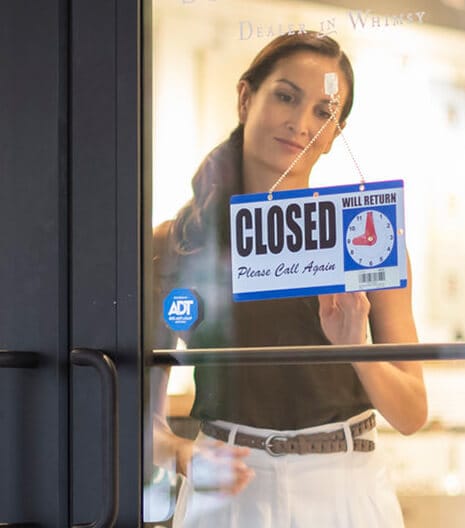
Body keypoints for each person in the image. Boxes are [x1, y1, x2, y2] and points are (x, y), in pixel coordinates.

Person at [150, 31, 427, 528]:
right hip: (228, 485)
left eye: (323, 111)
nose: (301, 124)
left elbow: (411, 412)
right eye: (286, 96)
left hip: (346, 484)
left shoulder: (365, 239)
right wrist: (185, 457)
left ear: (335, 132)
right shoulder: (175, 242)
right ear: (245, 97)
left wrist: (355, 351)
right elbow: (137, 422)